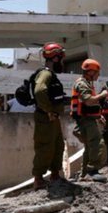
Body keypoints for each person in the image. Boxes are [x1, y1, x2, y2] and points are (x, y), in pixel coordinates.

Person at [32, 43, 68, 190]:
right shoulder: (45, 74)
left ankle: (54, 176)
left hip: (53, 118)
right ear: (55, 58)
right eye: (60, 58)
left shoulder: (51, 75)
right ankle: (39, 180)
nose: (62, 62)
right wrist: (49, 111)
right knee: (45, 147)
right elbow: (39, 91)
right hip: (46, 118)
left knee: (57, 146)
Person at [71, 58, 108, 182]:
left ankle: (85, 174)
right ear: (91, 72)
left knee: (89, 146)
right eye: (97, 72)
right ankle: (93, 171)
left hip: (88, 119)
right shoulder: (82, 84)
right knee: (97, 143)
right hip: (85, 121)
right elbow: (88, 100)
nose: (98, 75)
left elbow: (88, 105)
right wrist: (102, 95)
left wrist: (98, 116)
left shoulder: (87, 84)